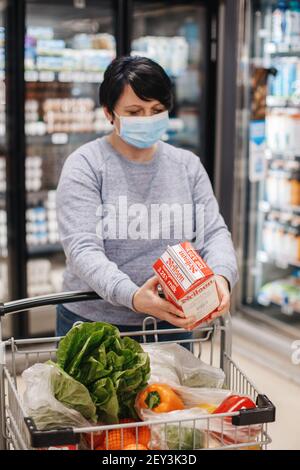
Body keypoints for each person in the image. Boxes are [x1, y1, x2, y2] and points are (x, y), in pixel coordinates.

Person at [56, 56, 238, 342]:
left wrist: (222, 276)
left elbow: (214, 233)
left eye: (156, 110)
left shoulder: (187, 165)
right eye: (135, 111)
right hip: (95, 324)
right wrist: (132, 296)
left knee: (167, 390)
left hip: (171, 320)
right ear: (109, 113)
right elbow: (82, 249)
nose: (148, 119)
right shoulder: (86, 165)